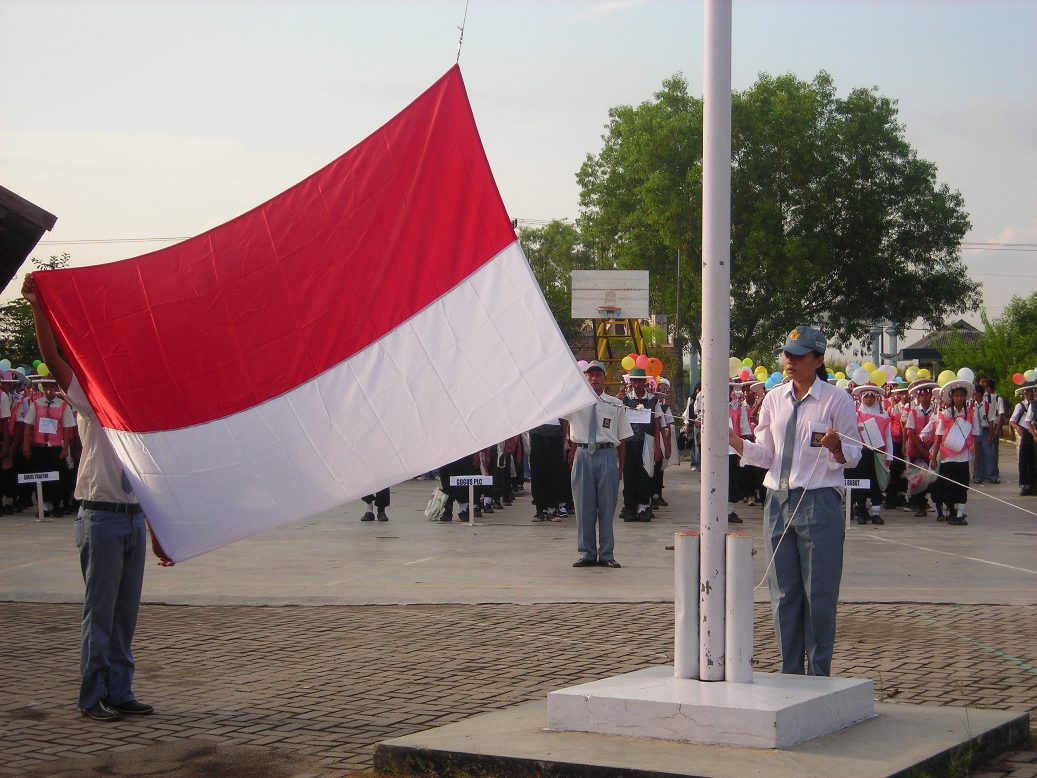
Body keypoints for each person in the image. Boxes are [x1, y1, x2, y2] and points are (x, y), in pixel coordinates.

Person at [23, 273, 174, 722]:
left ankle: (120, 689)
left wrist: (156, 531)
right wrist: (38, 309)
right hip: (100, 517)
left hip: (129, 517)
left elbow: (146, 480)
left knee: (125, 613)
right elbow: (52, 360)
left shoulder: (140, 419)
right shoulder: (92, 400)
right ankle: (92, 697)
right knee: (101, 613)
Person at [729, 326, 861, 676]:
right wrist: (736, 443)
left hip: (819, 501)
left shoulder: (836, 400)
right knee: (783, 595)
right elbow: (766, 454)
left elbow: (855, 453)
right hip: (777, 500)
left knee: (818, 595)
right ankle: (790, 672)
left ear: (817, 360)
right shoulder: (773, 399)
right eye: (787, 353)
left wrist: (836, 447)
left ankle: (818, 674)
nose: (789, 361)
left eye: (799, 355)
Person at [563, 361, 633, 568]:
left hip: (606, 455)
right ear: (585, 377)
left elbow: (623, 436)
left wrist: (620, 466)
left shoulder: (614, 403)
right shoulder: (574, 402)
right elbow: (557, 407)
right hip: (583, 454)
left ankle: (606, 553)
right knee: (583, 506)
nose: (594, 379)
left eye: (598, 375)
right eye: (590, 375)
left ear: (604, 378)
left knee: (607, 506)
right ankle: (586, 552)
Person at [21, 376, 76, 517]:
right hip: (40, 447)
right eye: (46, 387)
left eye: (52, 387)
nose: (49, 391)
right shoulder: (37, 404)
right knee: (40, 474)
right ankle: (43, 506)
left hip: (56, 447)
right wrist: (26, 445)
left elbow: (67, 428)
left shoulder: (63, 406)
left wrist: (65, 449)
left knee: (57, 477)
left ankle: (57, 505)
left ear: (56, 389)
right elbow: (28, 425)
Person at [930, 378, 980, 525]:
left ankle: (959, 513)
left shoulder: (971, 413)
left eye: (961, 395)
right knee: (949, 486)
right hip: (947, 457)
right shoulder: (945, 414)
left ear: (965, 397)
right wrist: (934, 457)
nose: (959, 398)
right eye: (956, 396)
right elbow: (939, 437)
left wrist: (975, 455)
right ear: (952, 397)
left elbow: (975, 435)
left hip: (964, 456)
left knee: (962, 486)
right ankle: (951, 511)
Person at [617, 368, 662, 521]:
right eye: (634, 381)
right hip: (630, 442)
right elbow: (621, 422)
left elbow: (656, 423)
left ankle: (643, 506)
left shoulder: (653, 400)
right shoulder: (626, 399)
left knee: (645, 474)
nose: (637, 384)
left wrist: (657, 447)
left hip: (646, 441)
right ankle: (630, 507)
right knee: (630, 474)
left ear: (645, 382)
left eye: (640, 381)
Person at [847, 384, 892, 525]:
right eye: (866, 397)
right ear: (861, 398)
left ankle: (876, 512)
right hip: (861, 454)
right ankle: (861, 510)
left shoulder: (883, 415)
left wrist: (889, 456)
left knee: (876, 482)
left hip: (878, 454)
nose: (869, 400)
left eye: (872, 397)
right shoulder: (855, 414)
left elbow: (888, 436)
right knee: (861, 482)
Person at [1010, 383, 1036, 496]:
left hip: (1034, 433)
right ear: (1025, 393)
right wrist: (1017, 428)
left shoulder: (1035, 404)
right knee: (1024, 461)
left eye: (1032, 391)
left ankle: (1034, 485)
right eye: (1028, 391)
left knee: (1034, 461)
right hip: (1026, 434)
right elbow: (1012, 421)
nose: (1030, 393)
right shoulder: (1021, 406)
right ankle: (1025, 485)